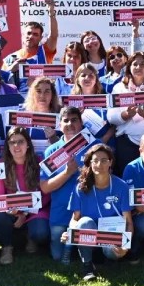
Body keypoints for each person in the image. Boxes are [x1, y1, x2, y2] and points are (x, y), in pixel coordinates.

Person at [0, 127, 50, 265]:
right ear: (8, 145)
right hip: (11, 210)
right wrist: (17, 212)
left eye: (20, 141)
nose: (16, 146)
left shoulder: (39, 162)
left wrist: (25, 213)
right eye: (12, 142)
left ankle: (30, 236)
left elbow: (46, 194)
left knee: (40, 233)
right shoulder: (0, 165)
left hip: (36, 210)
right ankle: (7, 247)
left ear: (28, 144)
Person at [62, 144, 132, 281]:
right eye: (95, 160)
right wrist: (71, 233)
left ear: (110, 162)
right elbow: (75, 219)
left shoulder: (122, 186)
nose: (99, 164)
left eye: (104, 160)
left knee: (112, 251)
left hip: (111, 234)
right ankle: (87, 266)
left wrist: (126, 246)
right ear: (90, 163)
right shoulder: (80, 187)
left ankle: (110, 258)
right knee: (84, 222)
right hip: (90, 236)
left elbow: (129, 222)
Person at [40, 107, 93, 265]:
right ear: (59, 125)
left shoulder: (93, 145)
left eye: (74, 120)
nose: (70, 124)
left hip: (88, 207)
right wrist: (68, 173)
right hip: (61, 209)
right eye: (66, 120)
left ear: (81, 123)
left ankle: (84, 251)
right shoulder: (51, 151)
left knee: (91, 244)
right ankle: (71, 246)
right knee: (57, 256)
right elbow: (45, 187)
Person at [107, 51, 144, 175]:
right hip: (126, 144)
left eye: (142, 64)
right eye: (135, 64)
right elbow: (110, 117)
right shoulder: (119, 88)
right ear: (129, 67)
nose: (138, 67)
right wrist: (125, 115)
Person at [3, 2, 60, 90]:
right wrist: (11, 69)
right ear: (23, 35)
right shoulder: (10, 58)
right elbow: (1, 83)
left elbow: (53, 36)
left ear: (41, 38)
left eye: (35, 34)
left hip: (41, 95)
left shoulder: (45, 52)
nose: (31, 36)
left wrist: (51, 12)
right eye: (29, 33)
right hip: (18, 97)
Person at [19, 77, 62, 154]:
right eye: (38, 91)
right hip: (29, 159)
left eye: (47, 91)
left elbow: (66, 148)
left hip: (52, 158)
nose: (42, 95)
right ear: (33, 94)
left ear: (52, 95)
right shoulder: (22, 113)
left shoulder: (61, 115)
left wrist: (53, 138)